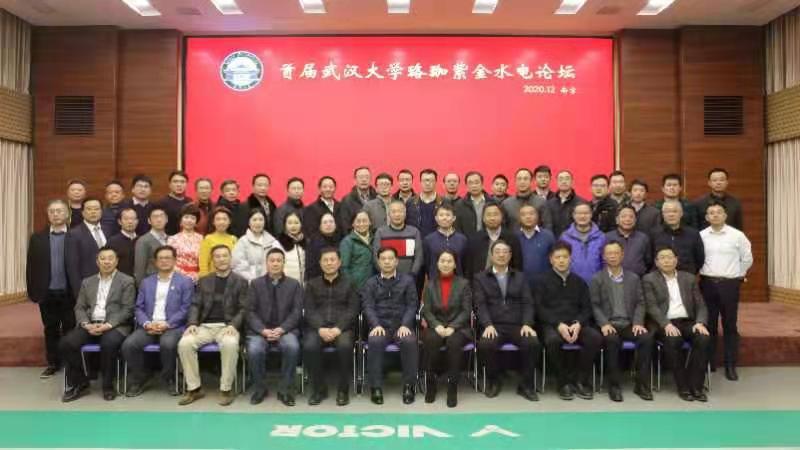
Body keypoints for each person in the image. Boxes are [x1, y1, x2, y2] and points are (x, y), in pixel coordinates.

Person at [59, 246, 135, 402]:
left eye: (110, 258)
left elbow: (128, 309)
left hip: (115, 326)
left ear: (116, 261)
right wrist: (86, 324)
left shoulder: (127, 281)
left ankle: (108, 386)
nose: (106, 262)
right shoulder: (87, 282)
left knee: (109, 343)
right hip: (91, 324)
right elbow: (80, 307)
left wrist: (108, 325)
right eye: (103, 258)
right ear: (97, 261)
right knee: (67, 343)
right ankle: (80, 382)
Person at [178, 245, 248, 406]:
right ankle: (194, 388)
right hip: (205, 326)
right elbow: (195, 305)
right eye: (217, 256)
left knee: (230, 344)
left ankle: (226, 389)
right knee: (185, 343)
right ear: (212, 260)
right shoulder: (204, 281)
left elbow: (244, 308)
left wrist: (234, 325)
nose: (221, 259)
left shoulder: (241, 282)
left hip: (228, 326)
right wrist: (192, 323)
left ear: (230, 258)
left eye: (225, 256)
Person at [533, 241, 602, 401]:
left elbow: (587, 308)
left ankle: (581, 381)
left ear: (570, 259)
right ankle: (562, 382)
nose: (561, 260)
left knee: (595, 338)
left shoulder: (579, 282)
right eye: (557, 257)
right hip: (552, 325)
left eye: (565, 257)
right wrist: (558, 324)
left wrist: (578, 323)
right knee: (552, 341)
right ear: (551, 260)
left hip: (576, 324)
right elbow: (538, 308)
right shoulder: (541, 281)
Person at [475, 240, 541, 401]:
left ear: (510, 255)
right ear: (491, 255)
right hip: (494, 325)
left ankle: (526, 385)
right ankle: (493, 381)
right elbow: (480, 304)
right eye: (497, 251)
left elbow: (528, 302)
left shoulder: (520, 277)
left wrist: (527, 324)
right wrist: (487, 325)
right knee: (486, 344)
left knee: (532, 342)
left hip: (517, 325)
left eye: (505, 252)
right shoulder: (480, 278)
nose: (501, 255)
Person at [123, 245, 193, 397]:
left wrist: (167, 323)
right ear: (155, 262)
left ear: (175, 260)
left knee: (167, 344)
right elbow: (138, 308)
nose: (164, 261)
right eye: (161, 258)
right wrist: (147, 323)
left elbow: (186, 308)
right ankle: (140, 378)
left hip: (172, 326)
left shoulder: (185, 281)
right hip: (149, 325)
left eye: (168, 258)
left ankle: (170, 378)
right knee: (129, 345)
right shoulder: (146, 282)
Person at [643, 246, 711, 402]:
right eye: (662, 258)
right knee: (673, 340)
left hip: (687, 321)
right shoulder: (649, 279)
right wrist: (666, 324)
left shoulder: (689, 278)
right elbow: (651, 306)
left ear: (676, 260)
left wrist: (700, 322)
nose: (666, 261)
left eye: (669, 257)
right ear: (656, 262)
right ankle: (683, 386)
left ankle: (696, 386)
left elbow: (700, 304)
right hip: (664, 323)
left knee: (703, 338)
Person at [590, 241, 655, 402]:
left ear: (622, 255)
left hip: (629, 324)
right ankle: (614, 386)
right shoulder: (597, 278)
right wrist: (604, 324)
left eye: (616, 253)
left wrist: (638, 323)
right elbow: (594, 305)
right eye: (609, 253)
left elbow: (641, 302)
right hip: (609, 324)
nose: (612, 256)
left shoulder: (633, 278)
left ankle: (641, 385)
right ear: (604, 257)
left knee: (646, 338)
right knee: (611, 341)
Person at [699, 202, 753, 381]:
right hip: (707, 283)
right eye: (711, 213)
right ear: (706, 217)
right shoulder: (701, 235)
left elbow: (747, 258)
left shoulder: (737, 235)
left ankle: (730, 365)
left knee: (730, 325)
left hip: (730, 284)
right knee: (709, 325)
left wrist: (738, 275)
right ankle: (710, 362)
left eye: (718, 212)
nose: (715, 215)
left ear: (725, 215)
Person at [362, 247, 419, 405]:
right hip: (380, 326)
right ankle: (376, 387)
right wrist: (375, 325)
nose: (387, 262)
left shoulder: (407, 281)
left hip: (401, 325)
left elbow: (412, 305)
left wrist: (405, 324)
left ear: (396, 261)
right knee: (374, 341)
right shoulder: (371, 283)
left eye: (390, 258)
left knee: (409, 341)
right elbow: (368, 307)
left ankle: (409, 386)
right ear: (378, 262)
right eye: (383, 259)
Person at [302, 248, 360, 406]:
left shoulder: (350, 283)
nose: (329, 263)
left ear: (339, 262)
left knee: (345, 346)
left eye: (332, 260)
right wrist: (320, 328)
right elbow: (309, 310)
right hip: (318, 328)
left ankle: (343, 390)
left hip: (342, 328)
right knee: (309, 346)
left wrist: (338, 328)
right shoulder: (312, 284)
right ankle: (319, 389)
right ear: (320, 263)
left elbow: (353, 309)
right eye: (325, 260)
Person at [247, 248, 303, 406]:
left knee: (292, 347)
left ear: (284, 263)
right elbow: (250, 311)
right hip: (260, 331)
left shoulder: (294, 285)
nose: (275, 263)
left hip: (285, 330)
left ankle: (285, 390)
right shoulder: (255, 284)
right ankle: (260, 389)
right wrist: (262, 330)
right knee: (254, 350)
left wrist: (282, 329)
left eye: (279, 260)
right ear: (266, 263)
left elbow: (296, 312)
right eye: (272, 260)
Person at [26, 199, 73, 378]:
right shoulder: (37, 238)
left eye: (59, 211)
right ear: (48, 215)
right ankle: (53, 363)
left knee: (70, 329)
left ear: (67, 214)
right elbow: (31, 266)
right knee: (50, 329)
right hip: (47, 292)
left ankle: (71, 363)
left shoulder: (75, 236)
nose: (56, 214)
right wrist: (33, 291)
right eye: (52, 211)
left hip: (70, 292)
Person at [420, 251, 472, 408]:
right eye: (442, 260)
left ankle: (452, 388)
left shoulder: (463, 284)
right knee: (431, 341)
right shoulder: (430, 284)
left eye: (449, 261)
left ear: (455, 264)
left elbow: (466, 311)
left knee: (454, 343)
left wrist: (452, 327)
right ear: (437, 264)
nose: (446, 264)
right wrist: (436, 325)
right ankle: (431, 384)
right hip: (435, 326)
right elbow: (426, 310)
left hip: (458, 327)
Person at [465, 202, 523, 279]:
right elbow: (469, 267)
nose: (492, 218)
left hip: (506, 281)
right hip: (480, 282)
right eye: (488, 215)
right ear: (483, 218)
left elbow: (517, 266)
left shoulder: (511, 238)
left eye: (496, 214)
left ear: (502, 216)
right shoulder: (474, 239)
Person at [66, 198, 107, 300]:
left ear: (101, 211)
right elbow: (72, 267)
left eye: (96, 209)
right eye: (89, 209)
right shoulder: (73, 234)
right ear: (83, 213)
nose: (93, 212)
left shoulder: (109, 230)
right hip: (88, 287)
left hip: (110, 286)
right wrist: (79, 293)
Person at [373, 199, 424, 278]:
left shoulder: (414, 232)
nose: (397, 214)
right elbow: (376, 257)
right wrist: (386, 275)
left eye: (400, 211)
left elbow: (419, 257)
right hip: (386, 279)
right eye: (393, 212)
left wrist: (412, 275)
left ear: (405, 214)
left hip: (409, 279)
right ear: (389, 214)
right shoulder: (380, 232)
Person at [651, 200, 705, 274]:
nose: (671, 214)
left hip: (686, 276)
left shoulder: (693, 234)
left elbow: (700, 259)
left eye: (675, 211)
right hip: (659, 277)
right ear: (663, 214)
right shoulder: (654, 234)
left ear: (681, 214)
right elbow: (649, 258)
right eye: (667, 212)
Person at [558, 202, 606, 283]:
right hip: (572, 284)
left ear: (591, 215)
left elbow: (605, 263)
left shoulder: (601, 237)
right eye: (579, 213)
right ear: (573, 215)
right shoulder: (565, 237)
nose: (582, 216)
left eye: (586, 213)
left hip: (596, 284)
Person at [232, 209, 283, 282]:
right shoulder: (242, 242)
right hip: (249, 284)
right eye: (254, 220)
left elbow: (280, 263)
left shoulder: (273, 242)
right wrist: (255, 282)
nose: (258, 223)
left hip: (270, 283)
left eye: (261, 220)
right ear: (249, 222)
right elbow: (238, 267)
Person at [422, 204, 468, 281]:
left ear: (454, 218)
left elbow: (464, 264)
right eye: (441, 215)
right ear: (436, 218)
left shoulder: (462, 239)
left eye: (448, 215)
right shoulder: (428, 240)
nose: (444, 218)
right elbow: (427, 264)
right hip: (435, 283)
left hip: (458, 282)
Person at [516, 204, 556, 290]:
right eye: (524, 214)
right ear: (519, 218)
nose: (528, 217)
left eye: (531, 213)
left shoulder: (548, 236)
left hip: (544, 285)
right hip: (520, 287)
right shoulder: (514, 237)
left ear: (537, 216)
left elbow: (554, 261)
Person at [605, 205, 652, 277]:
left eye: (631, 217)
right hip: (612, 279)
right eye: (623, 216)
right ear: (617, 220)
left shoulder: (643, 238)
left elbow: (648, 262)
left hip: (638, 280)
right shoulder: (607, 237)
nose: (627, 219)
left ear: (635, 220)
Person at [167, 204, 203, 283]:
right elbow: (169, 260)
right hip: (177, 278)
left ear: (196, 222)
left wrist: (198, 275)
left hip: (197, 279)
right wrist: (184, 275)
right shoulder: (172, 239)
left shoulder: (202, 239)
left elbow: (204, 261)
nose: (189, 220)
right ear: (181, 220)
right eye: (186, 217)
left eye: (193, 218)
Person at [339, 211, 375, 290]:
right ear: (353, 224)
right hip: (356, 288)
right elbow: (343, 268)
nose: (361, 224)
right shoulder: (347, 242)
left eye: (364, 221)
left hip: (373, 287)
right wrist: (352, 287)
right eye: (358, 221)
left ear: (370, 222)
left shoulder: (375, 239)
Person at [198, 207, 238, 277]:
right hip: (213, 278)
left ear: (229, 221)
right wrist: (204, 279)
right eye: (218, 219)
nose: (221, 222)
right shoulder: (208, 239)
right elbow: (203, 264)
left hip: (230, 278)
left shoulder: (234, 239)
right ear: (213, 222)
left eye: (224, 219)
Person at [133, 207, 169, 286]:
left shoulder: (171, 239)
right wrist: (142, 288)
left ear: (166, 219)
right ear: (149, 221)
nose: (159, 220)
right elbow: (139, 270)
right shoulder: (143, 241)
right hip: (152, 284)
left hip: (169, 283)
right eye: (155, 217)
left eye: (161, 216)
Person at [547, 170, 586, 238]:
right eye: (561, 179)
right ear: (557, 182)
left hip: (574, 241)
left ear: (572, 182)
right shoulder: (549, 204)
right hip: (554, 241)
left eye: (567, 179)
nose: (564, 181)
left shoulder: (581, 203)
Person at [406, 168, 444, 238]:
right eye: (425, 180)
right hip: (416, 240)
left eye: (431, 180)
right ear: (420, 182)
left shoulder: (444, 202)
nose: (427, 183)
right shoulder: (410, 202)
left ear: (436, 182)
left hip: (438, 240)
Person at [305, 212, 342, 281]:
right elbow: (310, 267)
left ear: (335, 225)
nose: (328, 224)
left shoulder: (342, 241)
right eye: (325, 222)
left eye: (331, 221)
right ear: (320, 226)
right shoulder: (312, 243)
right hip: (318, 281)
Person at [340, 166, 376, 233]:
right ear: (355, 180)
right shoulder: (347, 200)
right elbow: (345, 225)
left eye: (366, 177)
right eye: (361, 177)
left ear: (370, 179)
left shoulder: (377, 197)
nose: (364, 180)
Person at [156, 171, 193, 236]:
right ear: (169, 184)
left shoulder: (190, 202)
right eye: (175, 181)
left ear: (186, 184)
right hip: (167, 239)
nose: (179, 185)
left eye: (182, 182)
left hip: (187, 238)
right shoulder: (161, 203)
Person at [454, 171, 490, 235]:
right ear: (466, 186)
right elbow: (457, 227)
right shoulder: (459, 205)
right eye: (470, 183)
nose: (474, 186)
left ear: (482, 184)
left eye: (476, 182)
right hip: (467, 239)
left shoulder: (492, 202)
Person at [106, 207, 139, 277]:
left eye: (133, 219)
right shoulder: (112, 242)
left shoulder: (142, 240)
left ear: (137, 221)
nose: (130, 222)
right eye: (126, 219)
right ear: (119, 222)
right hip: (120, 281)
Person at [277, 212, 307, 286]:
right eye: (290, 223)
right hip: (284, 285)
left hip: (302, 285)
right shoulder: (278, 244)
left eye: (296, 223)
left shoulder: (304, 242)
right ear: (285, 225)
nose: (293, 226)